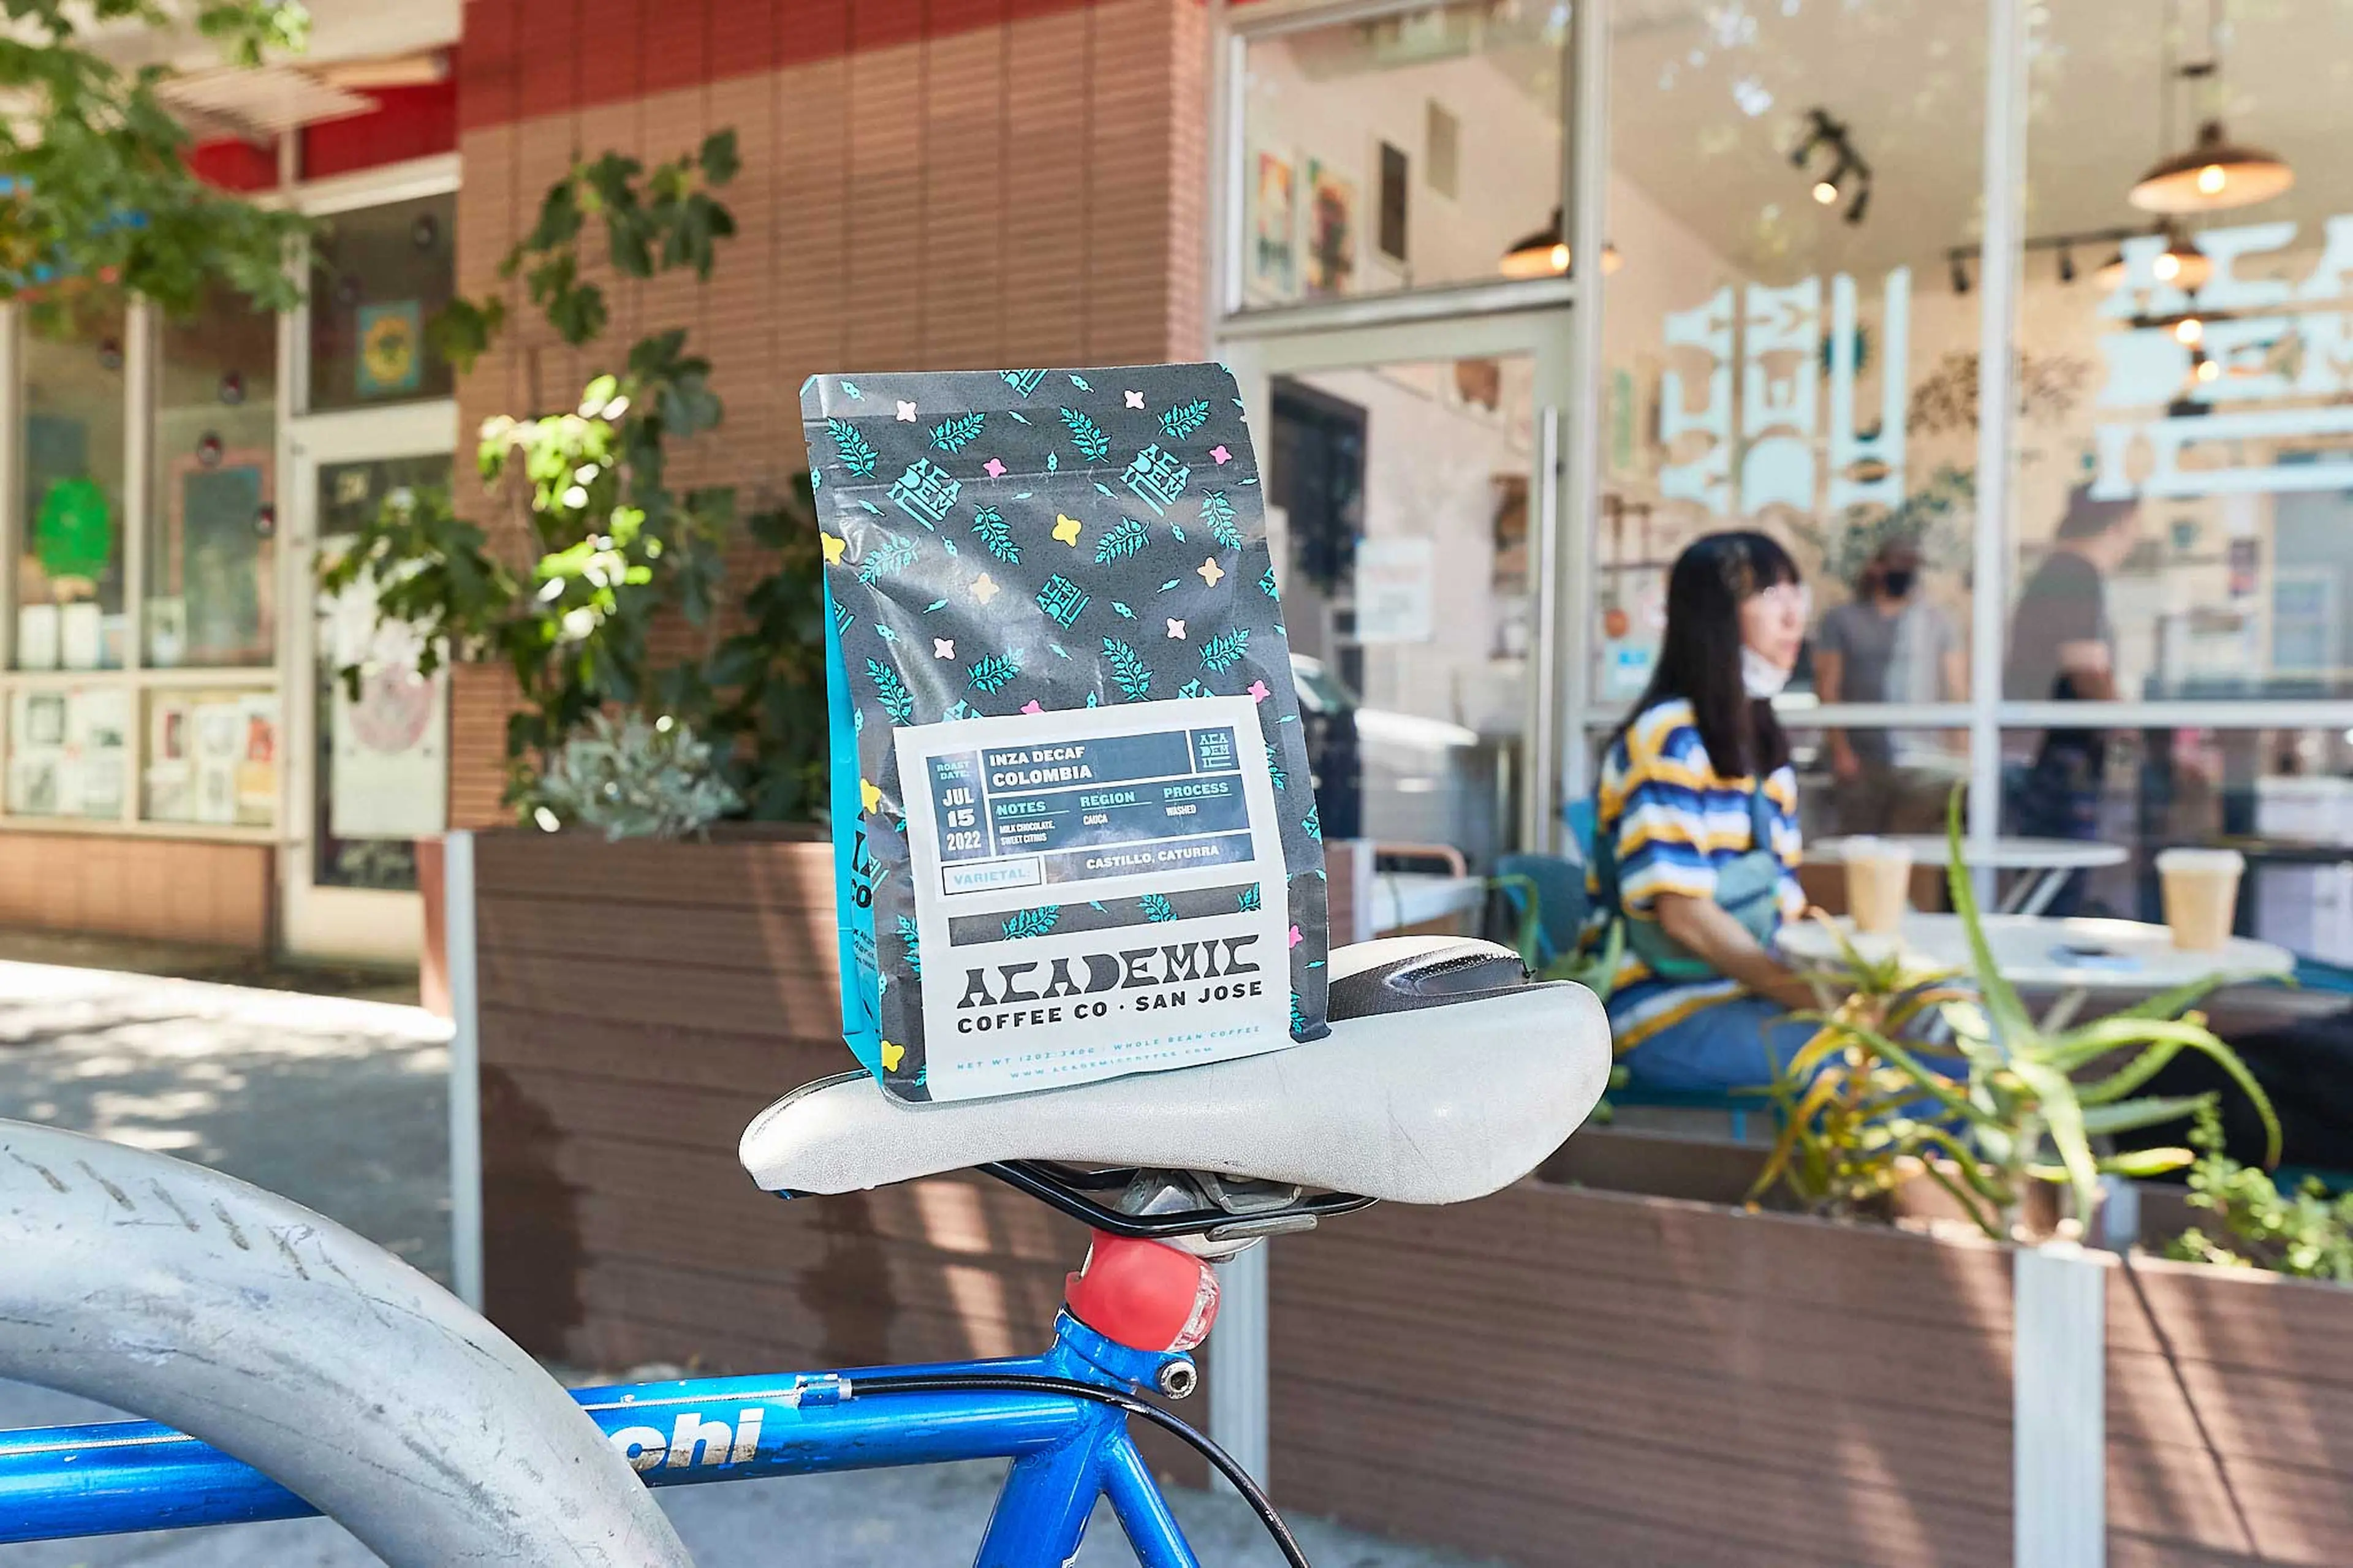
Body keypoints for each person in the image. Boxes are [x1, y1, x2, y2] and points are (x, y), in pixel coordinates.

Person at [1581, 531, 1825, 1093]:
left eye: (1797, 593)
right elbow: (1684, 914)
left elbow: (1783, 902)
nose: (1793, 616)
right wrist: (1802, 994)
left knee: (1939, 1035)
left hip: (1745, 992)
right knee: (1879, 1070)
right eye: (1769, 593)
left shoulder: (1762, 742)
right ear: (1713, 617)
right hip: (1656, 1008)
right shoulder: (1668, 739)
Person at [2003, 485, 2140, 915]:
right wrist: (2130, 726)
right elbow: (2087, 669)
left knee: (2050, 884)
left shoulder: (2060, 573)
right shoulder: (2073, 575)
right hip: (2061, 761)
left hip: (2050, 756)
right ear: (2119, 523)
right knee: (2058, 887)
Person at [1814, 537, 1966, 835]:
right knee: (1859, 850)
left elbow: (1957, 690)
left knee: (1914, 855)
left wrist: (1962, 756)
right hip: (1862, 760)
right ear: (1876, 567)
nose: (1906, 571)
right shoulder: (1842, 620)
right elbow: (1827, 687)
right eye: (1899, 563)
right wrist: (1841, 752)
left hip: (1922, 761)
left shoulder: (1937, 622)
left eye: (1912, 565)